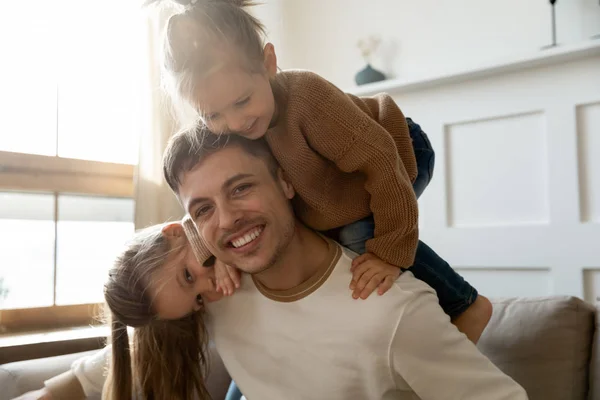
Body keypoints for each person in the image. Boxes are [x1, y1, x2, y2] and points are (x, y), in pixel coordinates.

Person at [14, 132, 528, 400]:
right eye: (203, 208)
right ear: (188, 223)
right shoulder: (219, 291)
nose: (229, 219)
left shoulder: (388, 309)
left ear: (286, 181)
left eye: (241, 187)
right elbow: (140, 347)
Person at [145, 0, 492, 346]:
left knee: (361, 236)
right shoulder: (227, 126)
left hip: (397, 148)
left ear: (268, 63)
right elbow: (200, 194)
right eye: (213, 116)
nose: (234, 123)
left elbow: (382, 161)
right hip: (333, 183)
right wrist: (208, 254)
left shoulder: (309, 99)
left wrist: (388, 252)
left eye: (242, 102)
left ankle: (465, 302)